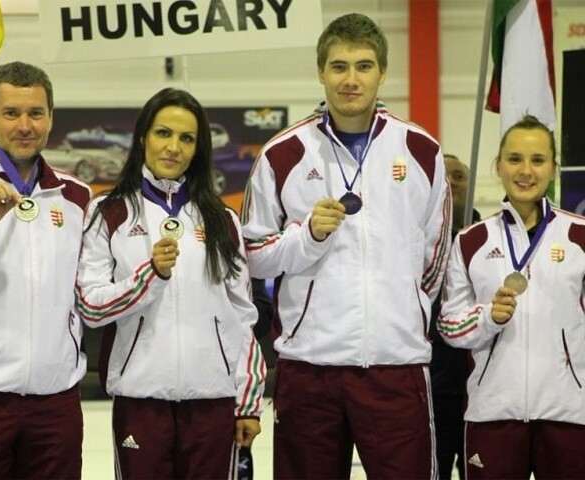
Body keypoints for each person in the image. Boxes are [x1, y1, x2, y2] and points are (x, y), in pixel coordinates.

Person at [240, 13, 452, 479]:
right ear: (321, 72)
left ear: (382, 72)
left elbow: (435, 260)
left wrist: (403, 314)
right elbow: (252, 255)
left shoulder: (420, 150)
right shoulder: (284, 153)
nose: (350, 79)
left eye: (363, 66)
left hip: (395, 366)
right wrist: (307, 238)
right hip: (309, 368)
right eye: (338, 66)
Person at [75, 87, 266, 480]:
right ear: (143, 136)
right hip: (140, 400)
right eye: (164, 133)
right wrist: (150, 277)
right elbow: (90, 307)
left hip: (213, 401)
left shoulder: (221, 219)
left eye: (186, 138)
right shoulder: (108, 211)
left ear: (198, 149)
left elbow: (242, 317)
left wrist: (248, 402)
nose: (173, 147)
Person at [0, 61, 90, 479]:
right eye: (11, 113)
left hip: (55, 401)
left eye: (36, 113)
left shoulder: (77, 197)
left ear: (51, 118)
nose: (24, 125)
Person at [438, 115, 585, 480]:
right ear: (498, 166)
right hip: (492, 415)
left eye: (537, 160)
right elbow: (449, 325)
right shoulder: (471, 241)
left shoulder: (580, 236)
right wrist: (489, 317)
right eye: (515, 159)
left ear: (553, 168)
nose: (526, 171)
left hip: (569, 414)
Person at [429, 154, 481, 480]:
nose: (453, 183)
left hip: (478, 386)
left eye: (459, 175)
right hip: (433, 386)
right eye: (445, 176)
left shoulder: (490, 240)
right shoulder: (419, 242)